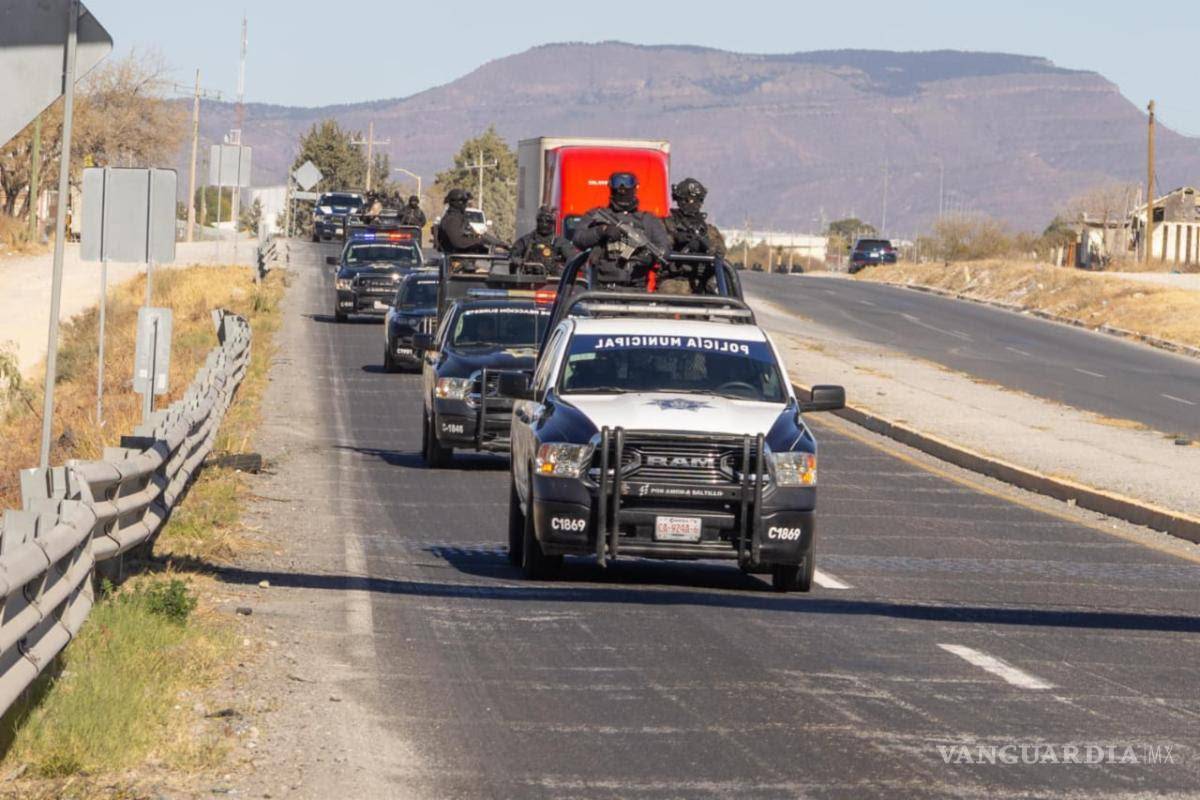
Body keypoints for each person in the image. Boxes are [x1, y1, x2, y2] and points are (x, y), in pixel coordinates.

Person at [572, 172, 670, 288]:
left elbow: (664, 248)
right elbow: (578, 239)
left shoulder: (648, 220)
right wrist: (601, 231)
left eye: (627, 186)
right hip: (603, 289)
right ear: (611, 188)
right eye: (618, 186)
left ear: (635, 188)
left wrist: (649, 257)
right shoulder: (597, 215)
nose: (622, 191)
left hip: (637, 288)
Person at [660, 177, 726, 294]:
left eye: (696, 200)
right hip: (672, 281)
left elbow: (720, 252)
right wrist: (675, 239)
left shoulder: (708, 230)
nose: (691, 203)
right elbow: (659, 246)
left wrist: (707, 245)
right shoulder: (665, 224)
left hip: (701, 284)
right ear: (679, 199)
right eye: (687, 200)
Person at [435, 188, 507, 254]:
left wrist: (500, 244)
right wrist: (479, 241)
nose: (466, 205)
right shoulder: (452, 220)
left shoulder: (459, 218)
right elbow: (458, 242)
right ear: (459, 203)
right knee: (485, 268)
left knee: (497, 257)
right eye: (465, 202)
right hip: (457, 262)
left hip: (466, 258)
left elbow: (477, 235)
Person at [511, 206, 578, 275]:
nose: (544, 224)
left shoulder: (559, 242)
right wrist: (517, 260)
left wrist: (561, 268)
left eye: (547, 221)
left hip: (551, 280)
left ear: (552, 223)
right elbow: (513, 254)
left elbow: (573, 258)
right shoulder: (527, 240)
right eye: (541, 220)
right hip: (529, 279)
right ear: (537, 221)